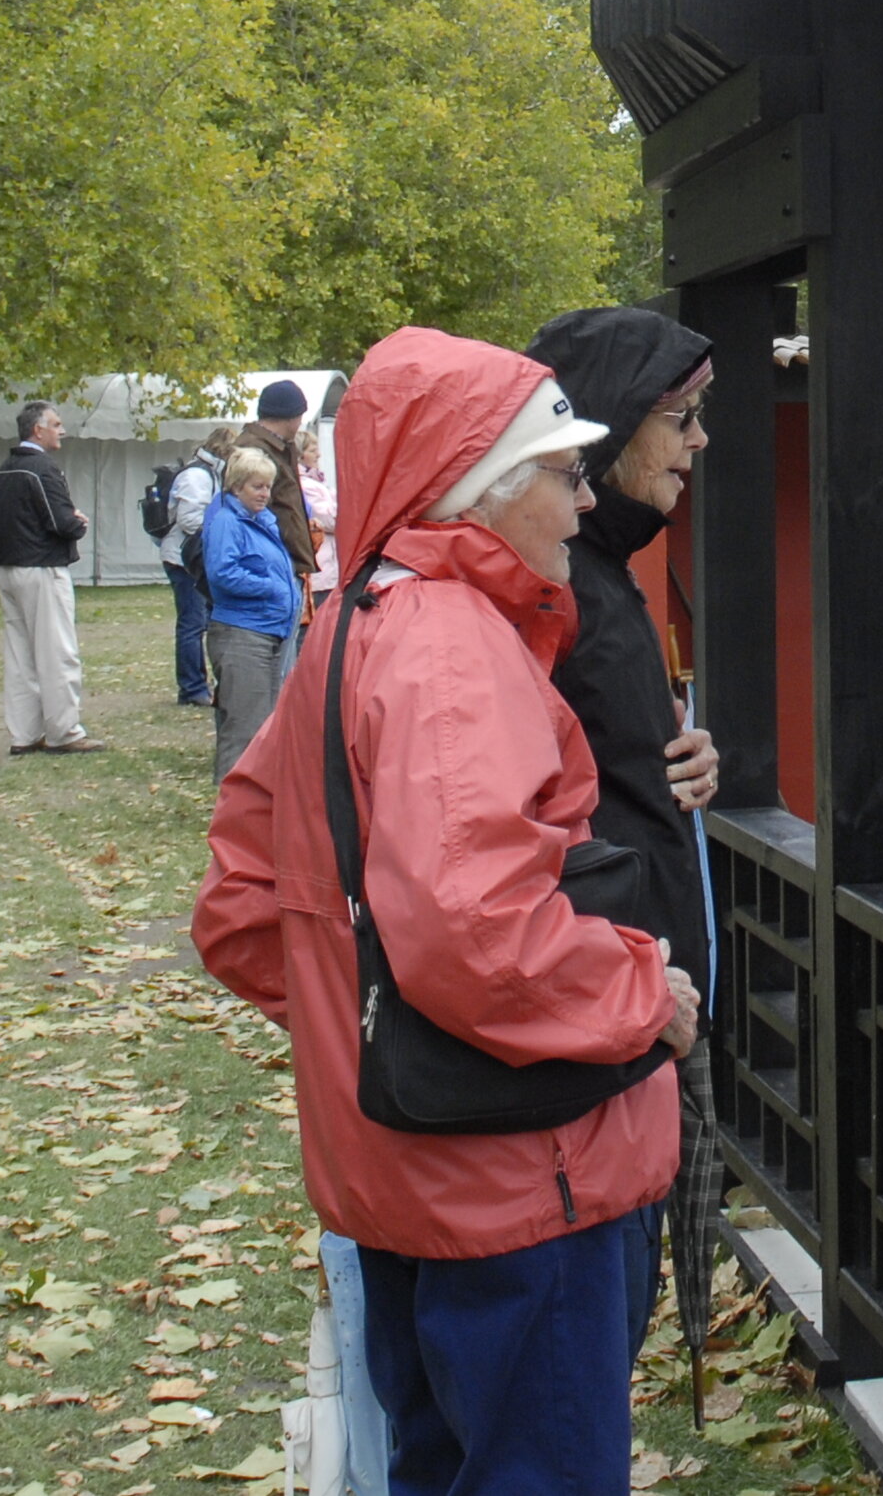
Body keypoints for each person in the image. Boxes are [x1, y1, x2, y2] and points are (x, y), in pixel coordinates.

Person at [194, 329, 699, 1496]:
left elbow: (242, 899)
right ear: (479, 483)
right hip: (524, 1182)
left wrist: (359, 1022)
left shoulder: (352, 620)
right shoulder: (454, 645)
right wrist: (645, 995)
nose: (582, 506)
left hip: (413, 1180)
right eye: (562, 474)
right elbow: (476, 934)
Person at [526, 309, 723, 984]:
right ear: (613, 423)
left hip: (647, 977)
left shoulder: (599, 566)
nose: (699, 438)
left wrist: (681, 754)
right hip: (612, 984)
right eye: (680, 416)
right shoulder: (549, 582)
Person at [0, 398, 100, 756]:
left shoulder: (5, 469)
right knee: (57, 652)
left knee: (21, 655)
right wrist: (79, 521)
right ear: (38, 430)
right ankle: (64, 731)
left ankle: (24, 733)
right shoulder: (43, 468)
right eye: (56, 424)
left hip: (7, 568)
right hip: (41, 567)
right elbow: (61, 522)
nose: (61, 430)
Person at [197, 445, 300, 774]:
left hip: (268, 631)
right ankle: (232, 807)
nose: (265, 494)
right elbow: (222, 574)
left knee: (264, 723)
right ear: (237, 486)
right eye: (257, 486)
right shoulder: (228, 522)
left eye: (268, 486)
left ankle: (254, 805)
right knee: (243, 727)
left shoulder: (261, 521)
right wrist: (272, 588)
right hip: (242, 634)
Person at [157, 425, 232, 711]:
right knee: (192, 623)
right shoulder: (196, 476)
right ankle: (192, 687)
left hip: (193, 556)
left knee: (200, 621)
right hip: (183, 557)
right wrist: (221, 531)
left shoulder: (206, 474)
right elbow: (189, 520)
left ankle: (199, 684)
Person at [242, 377, 320, 591]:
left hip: (282, 562)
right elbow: (249, 512)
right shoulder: (253, 450)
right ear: (291, 417)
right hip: (268, 564)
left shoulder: (277, 448)